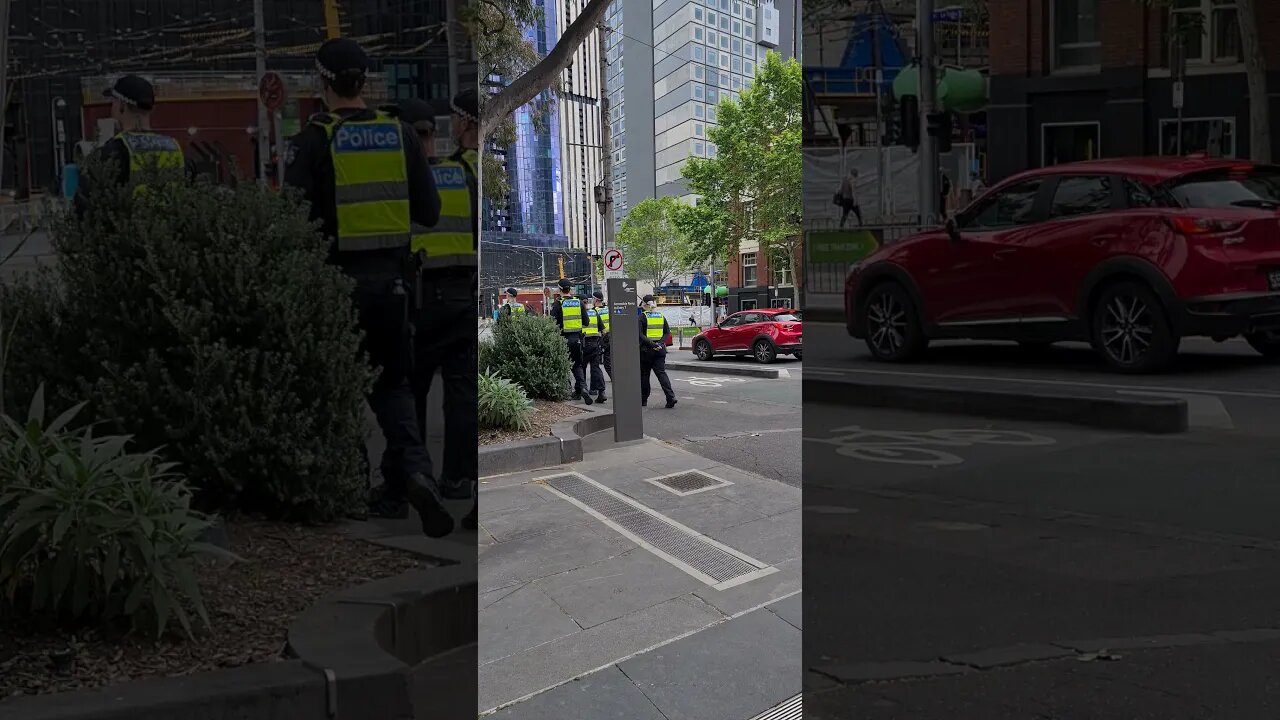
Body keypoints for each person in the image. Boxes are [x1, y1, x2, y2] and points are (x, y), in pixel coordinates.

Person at [283, 37, 452, 538]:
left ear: (322, 82)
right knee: (394, 387)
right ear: (365, 82)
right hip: (395, 286)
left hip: (333, 283)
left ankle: (351, 482)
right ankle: (418, 474)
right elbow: (429, 212)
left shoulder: (313, 139)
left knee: (336, 387)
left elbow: (293, 220)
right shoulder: (399, 135)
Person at [406, 87, 480, 509]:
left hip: (421, 297)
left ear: (463, 122)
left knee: (410, 389)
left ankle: (416, 474)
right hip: (465, 297)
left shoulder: (430, 176)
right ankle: (458, 479)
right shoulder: (474, 176)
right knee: (462, 392)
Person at [76, 74, 190, 215]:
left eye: (113, 102)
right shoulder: (175, 148)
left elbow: (84, 208)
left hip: (130, 234)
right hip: (170, 234)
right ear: (151, 109)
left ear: (121, 105)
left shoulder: (109, 155)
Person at [550, 278, 591, 405]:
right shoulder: (578, 302)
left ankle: (567, 390)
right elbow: (586, 322)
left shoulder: (558, 304)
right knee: (577, 365)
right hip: (578, 339)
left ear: (560, 289)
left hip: (563, 339)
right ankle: (583, 388)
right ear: (570, 289)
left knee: (564, 365)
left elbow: (552, 323)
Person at [639, 295, 677, 409]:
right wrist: (660, 344)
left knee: (645, 375)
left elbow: (640, 334)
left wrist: (652, 344)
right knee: (661, 373)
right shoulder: (661, 316)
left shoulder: (641, 317)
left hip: (646, 350)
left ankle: (644, 400)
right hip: (660, 350)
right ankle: (670, 397)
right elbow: (667, 333)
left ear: (645, 304)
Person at [581, 295, 607, 404]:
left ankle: (583, 389)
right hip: (596, 344)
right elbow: (603, 330)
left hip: (583, 344)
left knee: (581, 368)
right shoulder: (594, 312)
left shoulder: (579, 314)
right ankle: (601, 392)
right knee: (595, 368)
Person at [592, 290, 612, 379]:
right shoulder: (608, 309)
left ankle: (615, 379)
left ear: (596, 300)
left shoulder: (594, 311)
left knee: (605, 362)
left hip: (602, 337)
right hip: (611, 335)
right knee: (610, 358)